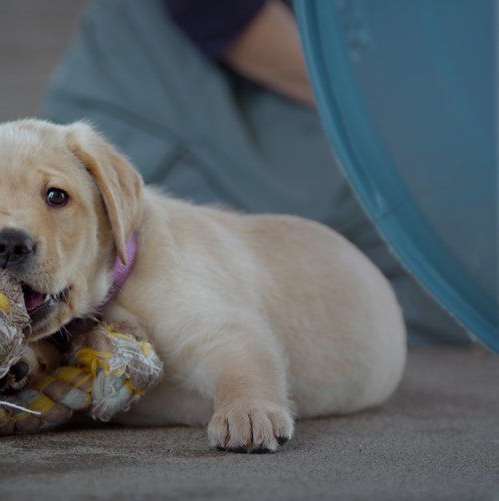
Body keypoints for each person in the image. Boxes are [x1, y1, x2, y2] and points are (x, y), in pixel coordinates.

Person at [42, 0, 468, 345]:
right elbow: (215, 10)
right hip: (171, 99)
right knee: (452, 248)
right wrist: (405, 106)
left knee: (445, 276)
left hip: (318, 73)